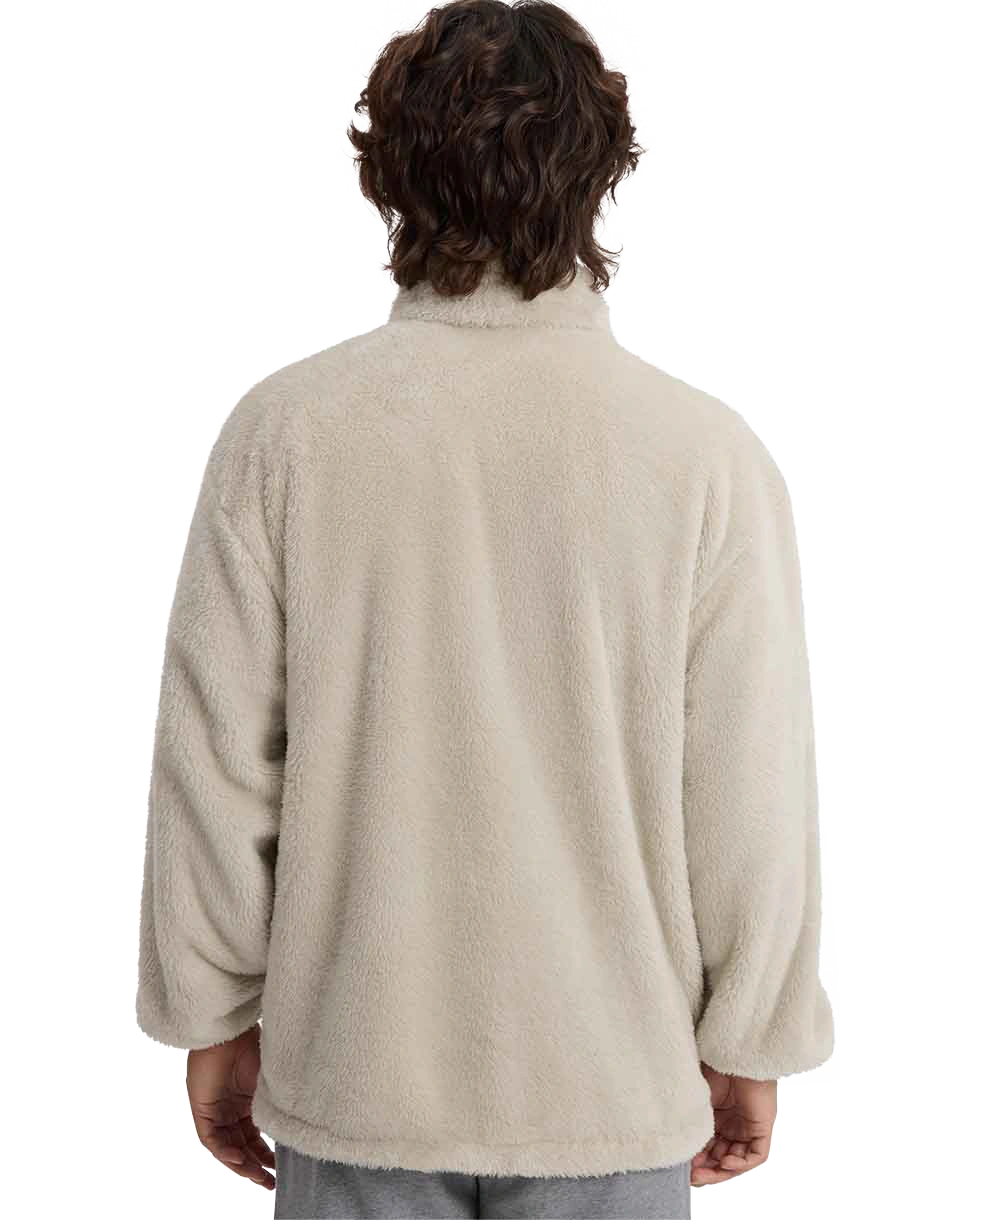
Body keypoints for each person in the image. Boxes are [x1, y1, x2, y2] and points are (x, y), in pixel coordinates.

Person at [135, 1, 835, 1216]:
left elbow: (216, 769)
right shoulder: (701, 459)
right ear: (600, 174)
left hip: (356, 1078)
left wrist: (212, 1015)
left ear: (388, 173)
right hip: (611, 1086)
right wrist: (751, 1036)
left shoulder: (286, 437)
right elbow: (746, 793)